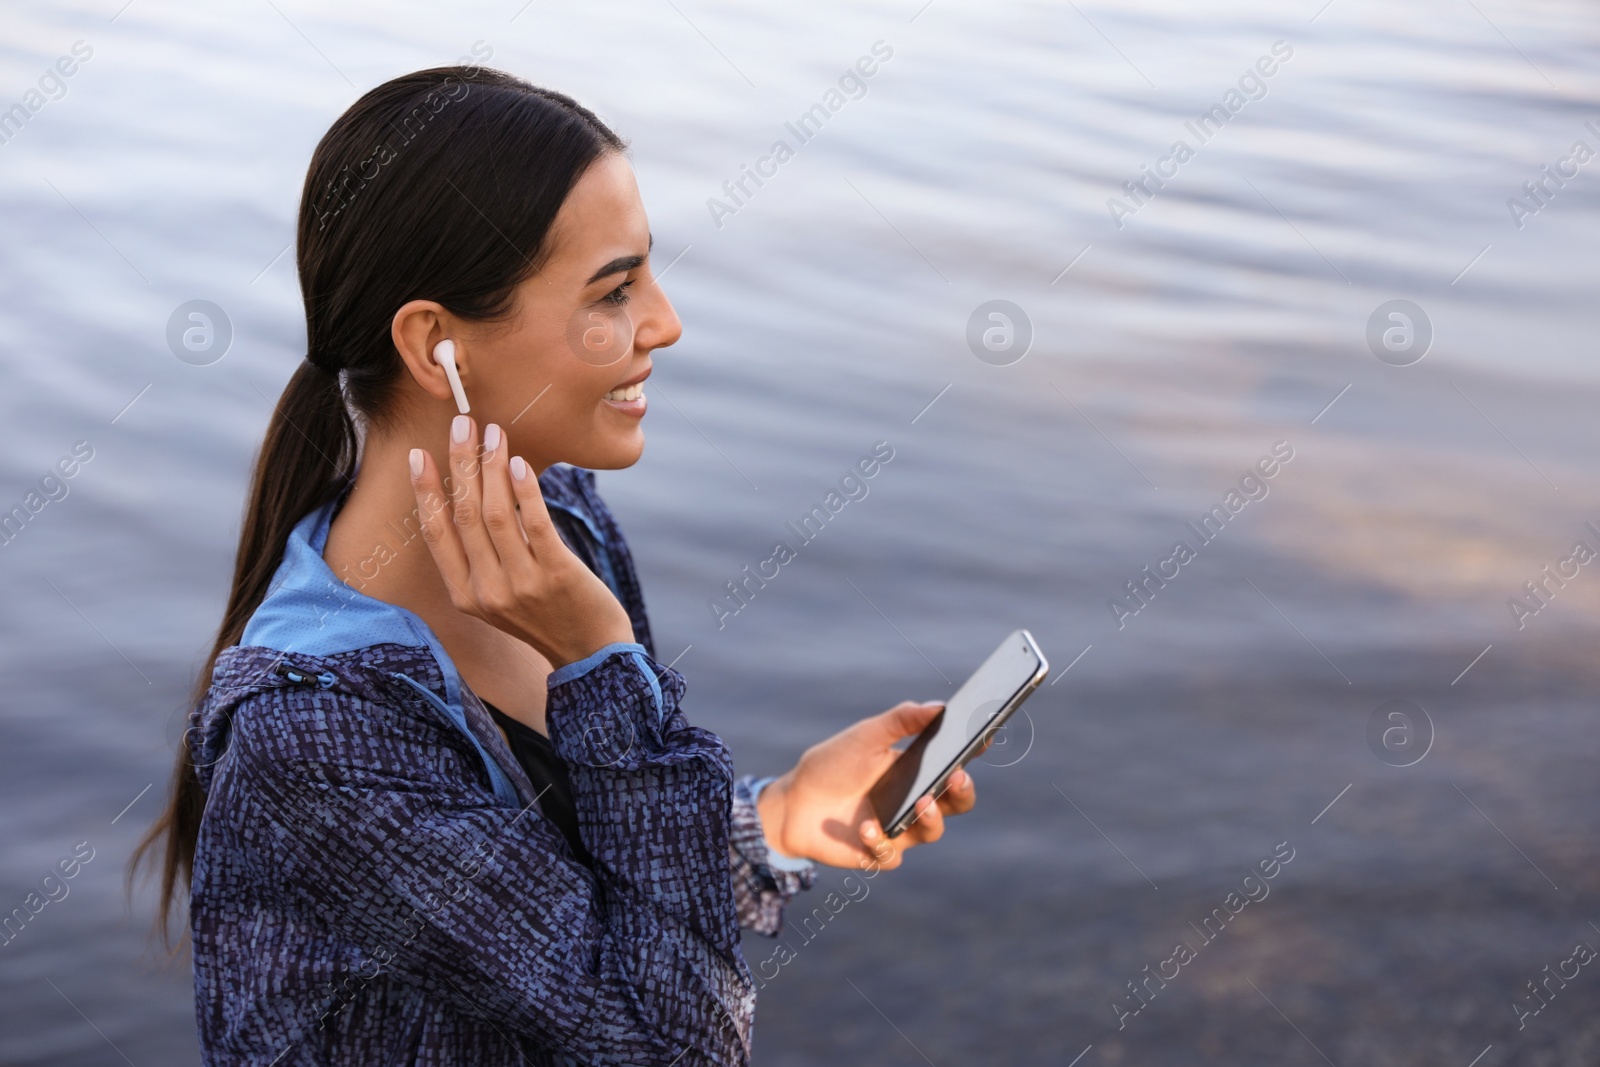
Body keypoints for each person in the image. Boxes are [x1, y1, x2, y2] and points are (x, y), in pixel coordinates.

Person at [131, 66, 978, 1065]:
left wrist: (777, 816)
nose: (663, 321)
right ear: (435, 342)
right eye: (613, 289)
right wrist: (599, 659)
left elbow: (574, 914)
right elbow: (679, 1043)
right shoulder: (312, 737)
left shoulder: (562, 523)